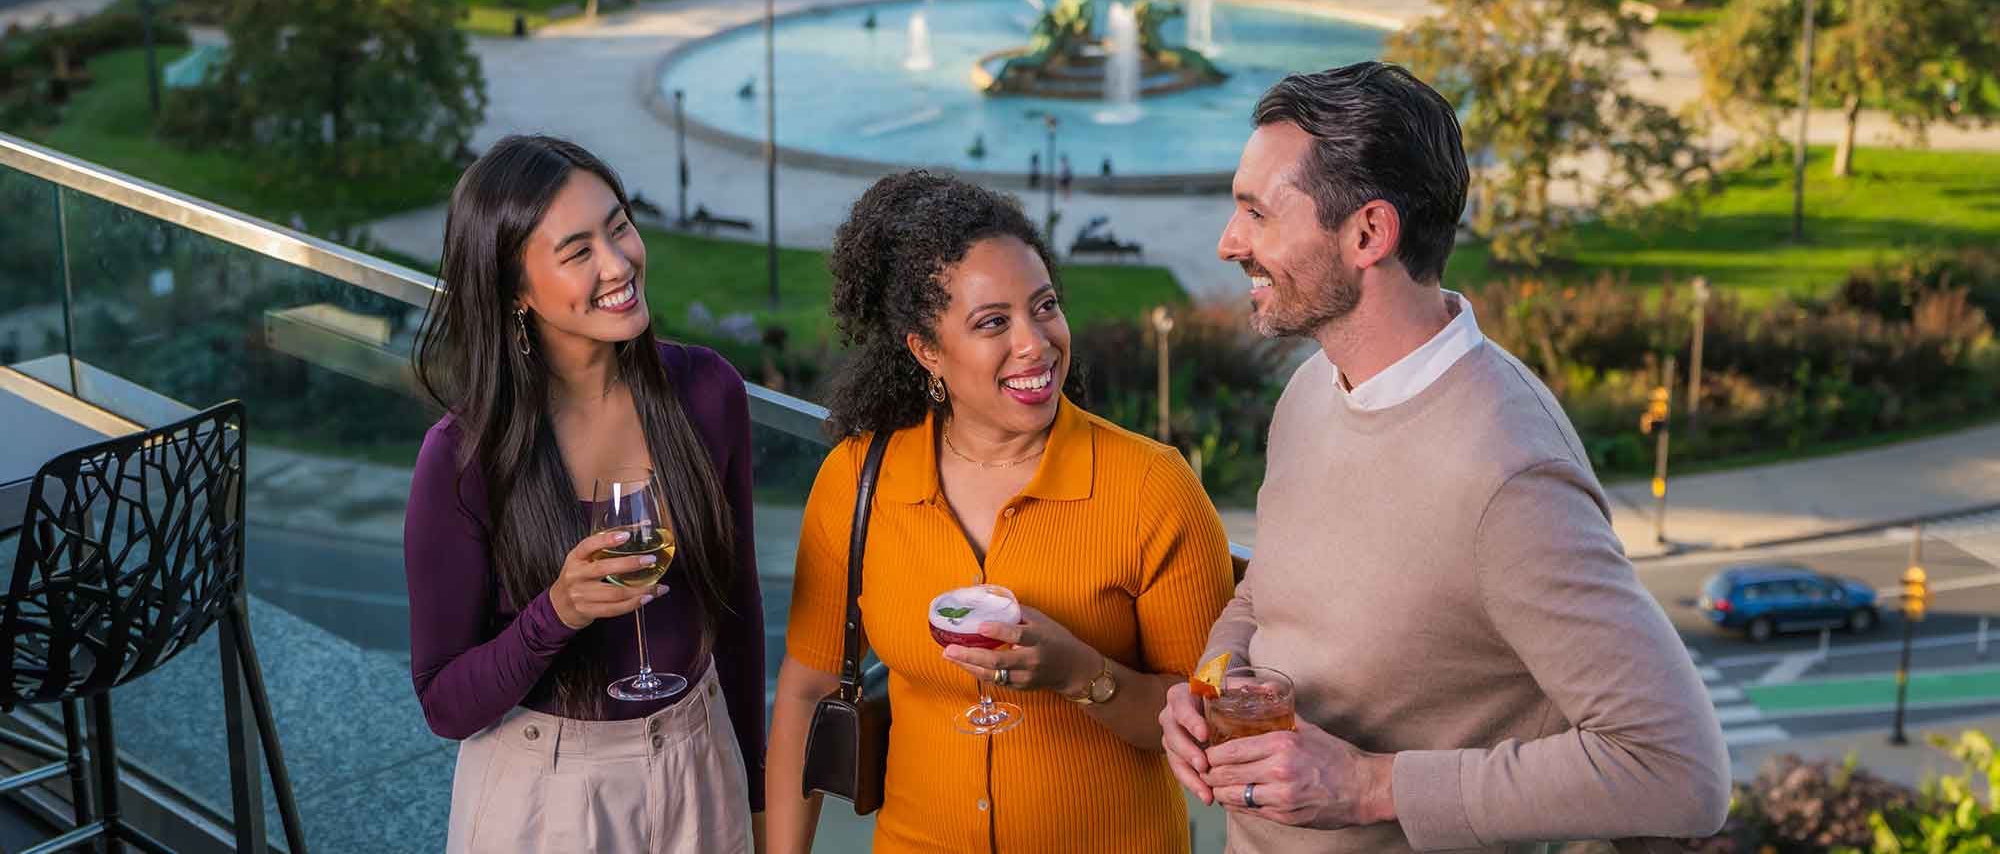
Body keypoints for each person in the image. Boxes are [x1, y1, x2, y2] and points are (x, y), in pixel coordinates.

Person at [1159, 63, 1729, 850]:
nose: (1230, 243)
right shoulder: (1314, 390)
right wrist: (1212, 681)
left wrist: (1368, 785)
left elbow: (1677, 772)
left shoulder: (1509, 475)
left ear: (1368, 233)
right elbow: (1270, 598)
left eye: (1257, 214)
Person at [767, 171, 1235, 853]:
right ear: (927, 352)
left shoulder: (1151, 487)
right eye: (993, 323)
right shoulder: (858, 480)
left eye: (1044, 306)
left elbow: (1206, 724)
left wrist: (1082, 675)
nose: (1035, 343)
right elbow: (806, 690)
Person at [407, 135, 767, 853]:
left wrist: (756, 795)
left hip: (702, 762)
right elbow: (445, 703)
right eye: (577, 251)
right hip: (551, 796)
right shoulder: (462, 459)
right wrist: (558, 612)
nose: (618, 263)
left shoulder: (708, 392)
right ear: (516, 289)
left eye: (620, 226)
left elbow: (739, 618)